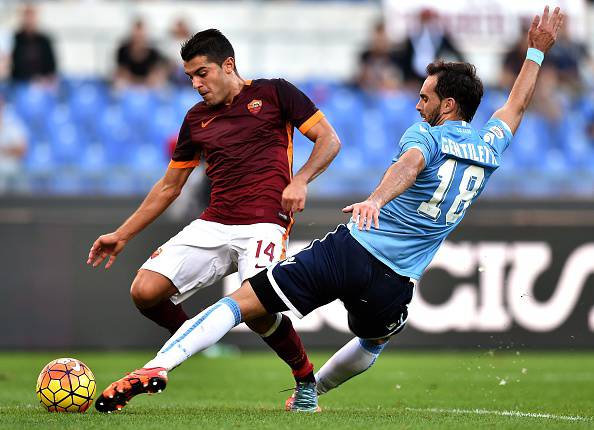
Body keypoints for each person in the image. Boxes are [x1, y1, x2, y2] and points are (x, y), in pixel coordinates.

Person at [93, 7, 562, 414]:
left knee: (239, 303)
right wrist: (536, 54)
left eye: (425, 97)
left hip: (353, 247)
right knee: (372, 344)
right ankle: (311, 392)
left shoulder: (426, 136)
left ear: (448, 104)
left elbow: (410, 164)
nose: (418, 104)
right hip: (397, 281)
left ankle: (158, 365)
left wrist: (376, 200)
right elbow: (516, 106)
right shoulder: (491, 145)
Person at [87, 29, 341, 412]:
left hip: (264, 223)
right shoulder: (196, 119)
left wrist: (300, 179)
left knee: (259, 312)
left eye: (202, 73)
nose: (196, 84)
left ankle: (305, 380)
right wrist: (122, 233)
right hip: (215, 222)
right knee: (144, 290)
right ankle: (191, 338)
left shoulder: (275, 94)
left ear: (228, 65)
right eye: (189, 76)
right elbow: (169, 187)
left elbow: (329, 139)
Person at [10, 4, 57, 84]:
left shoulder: (44, 40)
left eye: (31, 16)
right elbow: (13, 65)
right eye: (27, 16)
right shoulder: (15, 39)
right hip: (20, 82)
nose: (29, 20)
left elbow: (51, 66)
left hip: (41, 83)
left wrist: (44, 80)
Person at [114, 19, 166, 88]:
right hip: (129, 84)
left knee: (161, 85)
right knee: (119, 84)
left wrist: (147, 81)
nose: (138, 37)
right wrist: (136, 82)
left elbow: (155, 73)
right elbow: (122, 72)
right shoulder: (123, 50)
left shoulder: (153, 52)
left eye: (141, 35)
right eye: (136, 34)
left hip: (148, 85)